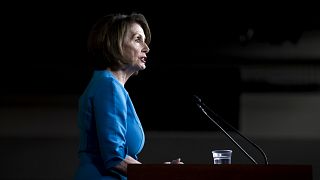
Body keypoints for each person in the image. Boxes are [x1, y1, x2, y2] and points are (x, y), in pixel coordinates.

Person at [74, 12, 183, 180]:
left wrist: (158, 171)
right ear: (115, 44)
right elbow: (115, 159)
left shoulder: (106, 84)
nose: (146, 47)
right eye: (138, 39)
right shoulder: (109, 86)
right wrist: (160, 174)